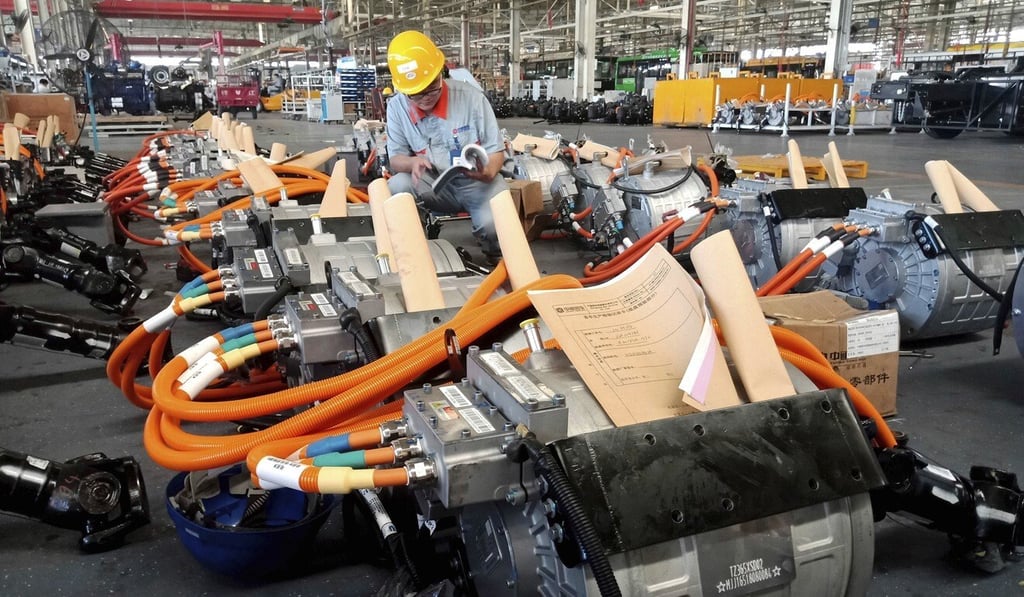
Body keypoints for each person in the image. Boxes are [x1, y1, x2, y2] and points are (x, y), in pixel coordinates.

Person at [384, 30, 508, 263]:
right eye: (416, 95)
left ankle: (496, 255)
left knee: (496, 223)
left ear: (440, 74)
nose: (425, 99)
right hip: (433, 184)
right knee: (396, 186)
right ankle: (417, 254)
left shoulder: (472, 98)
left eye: (431, 88)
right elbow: (395, 158)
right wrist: (412, 162)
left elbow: (496, 150)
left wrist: (487, 171)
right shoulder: (397, 108)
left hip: (477, 183)